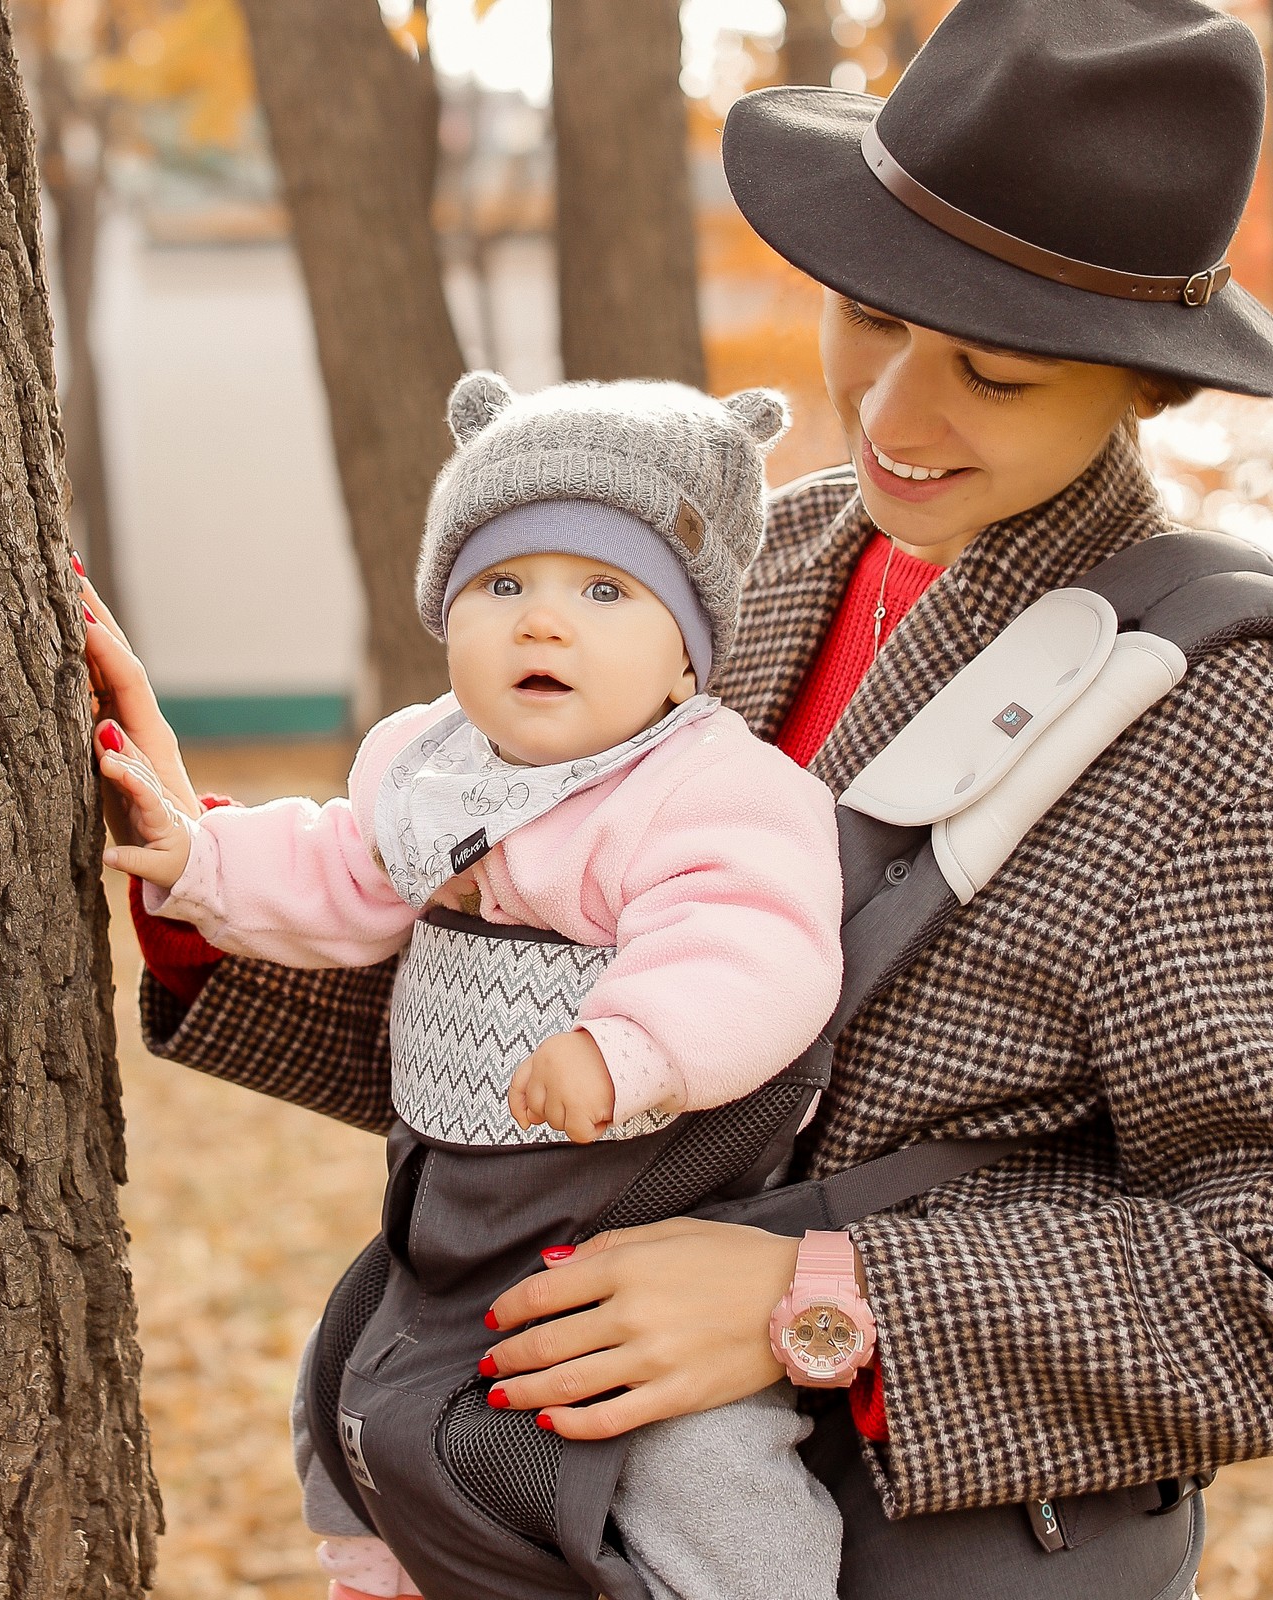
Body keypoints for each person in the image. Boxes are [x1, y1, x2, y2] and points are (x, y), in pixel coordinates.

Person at [84, 1, 1273, 1595]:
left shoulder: (1223, 710)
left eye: (995, 370)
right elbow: (548, 1024)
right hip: (536, 1498)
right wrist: (202, 882)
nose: (895, 414)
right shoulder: (744, 571)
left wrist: (814, 1305)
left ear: (1144, 386)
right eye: (870, 317)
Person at [95, 371, 852, 1600]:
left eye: (605, 592)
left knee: (698, 1450)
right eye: (503, 586)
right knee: (351, 1362)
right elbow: (344, 866)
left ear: (685, 658)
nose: (542, 624)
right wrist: (204, 858)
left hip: (642, 1202)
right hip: (453, 1194)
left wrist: (628, 1045)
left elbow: (753, 943)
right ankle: (378, 1560)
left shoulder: (706, 786)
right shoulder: (430, 764)